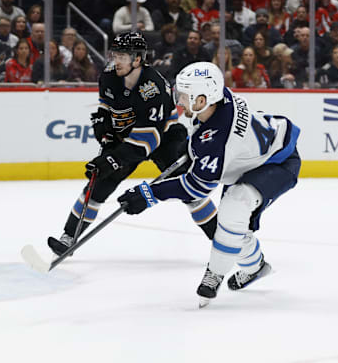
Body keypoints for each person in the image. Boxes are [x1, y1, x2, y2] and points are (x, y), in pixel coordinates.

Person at [118, 61, 301, 307]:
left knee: (234, 208)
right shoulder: (218, 98)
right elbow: (204, 130)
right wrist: (192, 146)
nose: (179, 101)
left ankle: (215, 272)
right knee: (234, 228)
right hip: (252, 154)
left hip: (278, 161)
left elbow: (195, 188)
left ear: (202, 100)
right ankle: (256, 267)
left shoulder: (219, 143)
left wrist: (149, 194)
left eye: (184, 96)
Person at [47, 32, 218, 256]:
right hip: (126, 137)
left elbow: (148, 141)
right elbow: (106, 106)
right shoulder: (109, 75)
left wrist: (112, 158)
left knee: (190, 190)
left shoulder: (153, 86)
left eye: (122, 56)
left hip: (163, 139)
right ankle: (69, 236)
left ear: (137, 59)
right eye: (115, 54)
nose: (116, 60)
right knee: (98, 185)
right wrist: (103, 126)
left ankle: (221, 241)